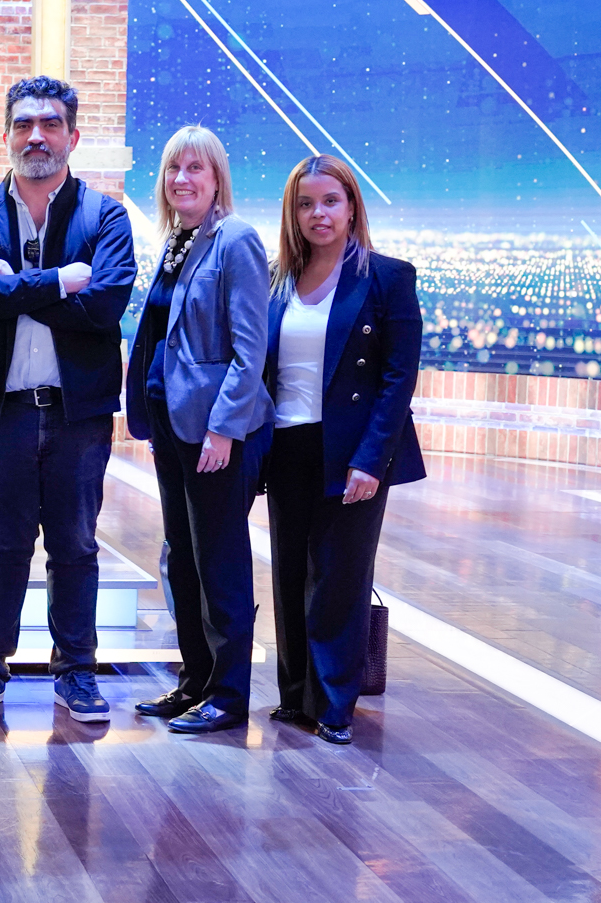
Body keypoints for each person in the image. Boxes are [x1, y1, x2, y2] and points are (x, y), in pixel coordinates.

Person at [0, 77, 136, 725]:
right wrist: (59, 281)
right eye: (24, 124)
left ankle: (77, 671)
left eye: (50, 124)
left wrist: (16, 284)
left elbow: (103, 306)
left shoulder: (104, 216)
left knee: (75, 545)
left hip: (77, 410)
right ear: (6, 135)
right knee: (2, 545)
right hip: (1, 408)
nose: (36, 136)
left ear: (72, 137)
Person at [263, 155, 424, 745]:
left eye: (330, 201)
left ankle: (333, 704)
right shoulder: (277, 278)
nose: (318, 214)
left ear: (352, 206)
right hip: (286, 442)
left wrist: (371, 460)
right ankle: (295, 695)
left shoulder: (387, 277)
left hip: (352, 449)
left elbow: (398, 380)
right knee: (289, 572)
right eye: (306, 204)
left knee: (339, 575)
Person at [125, 125, 271, 736]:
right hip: (172, 424)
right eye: (172, 169)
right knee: (182, 558)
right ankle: (195, 682)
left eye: (195, 169)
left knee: (220, 561)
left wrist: (224, 428)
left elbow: (250, 349)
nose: (181, 179)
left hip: (217, 431)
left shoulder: (235, 239)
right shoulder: (178, 240)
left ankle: (229, 694)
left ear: (217, 179)